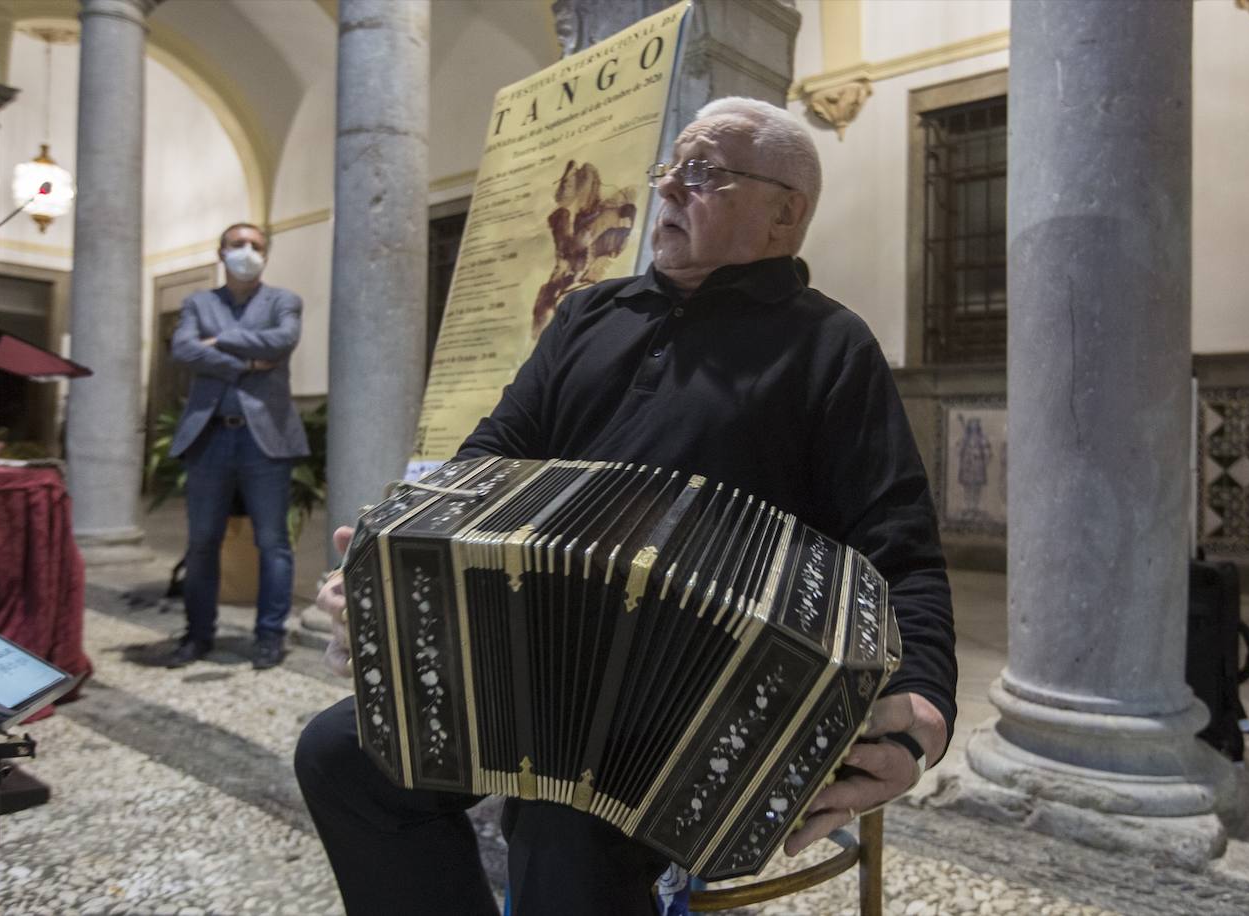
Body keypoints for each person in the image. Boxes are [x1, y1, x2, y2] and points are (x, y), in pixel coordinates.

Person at [295, 98, 956, 915]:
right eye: (670, 168)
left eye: (705, 172)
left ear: (787, 213)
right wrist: (390, 571)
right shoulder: (587, 315)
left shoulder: (829, 346)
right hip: (523, 667)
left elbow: (901, 553)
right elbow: (483, 465)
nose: (671, 186)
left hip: (698, 713)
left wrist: (924, 708)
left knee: (561, 829)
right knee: (338, 757)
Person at [167, 222, 309, 670]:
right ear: (220, 252)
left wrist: (220, 342)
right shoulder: (198, 302)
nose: (247, 252)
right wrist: (248, 362)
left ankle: (269, 636)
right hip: (209, 436)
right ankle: (197, 636)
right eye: (237, 245)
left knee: (273, 543)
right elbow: (183, 349)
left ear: (266, 254)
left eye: (256, 246)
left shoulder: (283, 301)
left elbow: (283, 341)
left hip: (265, 438)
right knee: (203, 541)